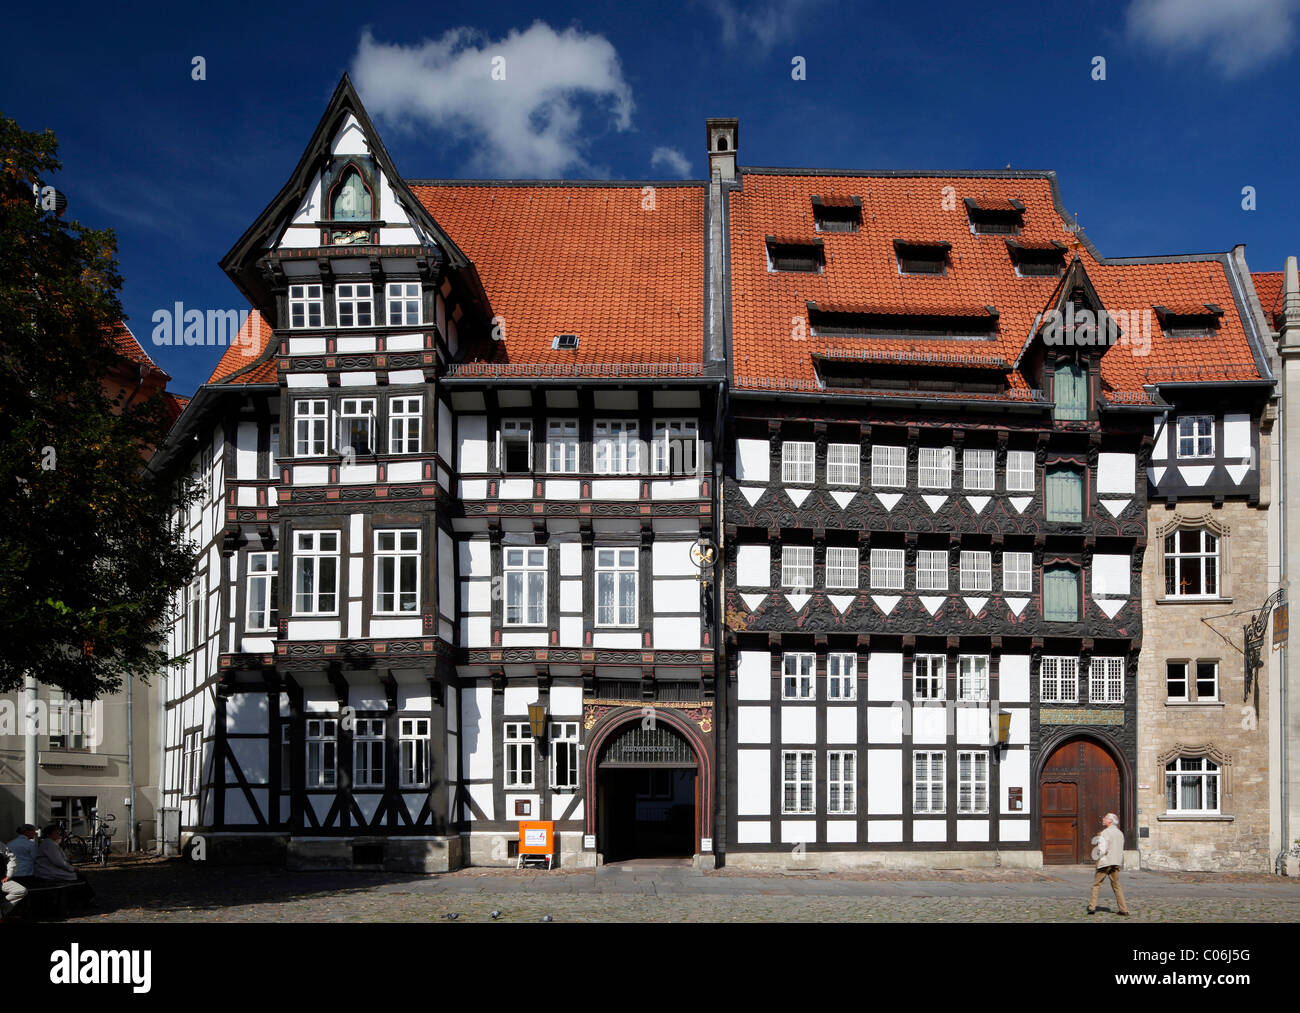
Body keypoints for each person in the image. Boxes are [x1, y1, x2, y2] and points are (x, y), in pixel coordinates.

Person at [34, 824, 94, 906]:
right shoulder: (49, 844)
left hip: (51, 870)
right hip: (48, 871)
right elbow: (58, 862)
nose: (59, 835)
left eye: (59, 833)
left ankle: (83, 899)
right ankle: (81, 900)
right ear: (49, 834)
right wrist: (72, 869)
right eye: (56, 833)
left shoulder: (51, 843)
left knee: (80, 877)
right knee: (79, 878)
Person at [1087, 811, 1129, 916]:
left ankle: (1092, 907)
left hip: (1105, 862)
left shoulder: (1105, 832)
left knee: (1096, 885)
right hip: (1116, 862)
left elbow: (1102, 849)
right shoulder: (1120, 833)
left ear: (1110, 821)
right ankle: (1124, 909)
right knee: (1116, 885)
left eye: (1105, 818)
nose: (1103, 819)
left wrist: (1097, 856)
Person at [1, 841, 27, 920]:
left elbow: (11, 858)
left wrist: (9, 874)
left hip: (1, 879)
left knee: (21, 890)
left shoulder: (1, 845)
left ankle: (2, 910)